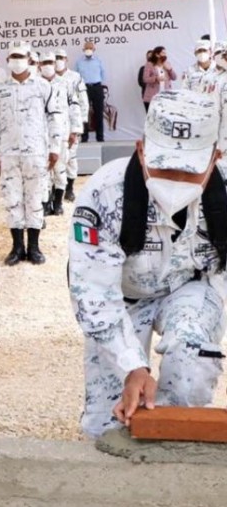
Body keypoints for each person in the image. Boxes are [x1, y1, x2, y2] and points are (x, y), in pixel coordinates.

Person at [69, 89, 227, 438]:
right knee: (108, 423)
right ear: (142, 149)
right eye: (163, 166)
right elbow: (93, 291)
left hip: (190, 287)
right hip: (122, 300)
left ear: (214, 157)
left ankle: (174, 448)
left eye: (188, 172)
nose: (174, 182)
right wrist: (132, 367)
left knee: (192, 356)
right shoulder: (105, 194)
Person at [0, 41, 61, 266]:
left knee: (35, 198)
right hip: (8, 153)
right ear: (8, 60)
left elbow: (54, 118)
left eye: (20, 56)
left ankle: (35, 247)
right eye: (12, 56)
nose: (16, 60)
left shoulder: (43, 87)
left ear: (29, 58)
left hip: (36, 153)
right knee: (12, 199)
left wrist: (55, 149)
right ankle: (17, 247)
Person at [39, 52, 82, 216]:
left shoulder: (66, 83)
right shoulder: (36, 84)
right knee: (43, 171)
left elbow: (74, 107)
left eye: (50, 62)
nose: (48, 65)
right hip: (41, 135)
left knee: (60, 168)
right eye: (44, 62)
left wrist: (75, 131)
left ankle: (58, 203)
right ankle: (45, 203)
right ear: (39, 65)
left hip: (63, 133)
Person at [56, 48, 89, 202]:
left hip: (72, 123)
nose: (58, 60)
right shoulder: (49, 78)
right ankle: (55, 190)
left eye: (61, 58)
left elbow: (83, 100)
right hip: (56, 124)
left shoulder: (75, 77)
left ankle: (69, 188)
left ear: (66, 59)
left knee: (71, 157)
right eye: (56, 58)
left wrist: (80, 123)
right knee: (56, 157)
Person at [75, 41, 107, 142]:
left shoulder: (98, 60)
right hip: (84, 88)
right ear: (83, 50)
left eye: (90, 48)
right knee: (84, 113)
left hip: (97, 87)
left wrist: (96, 82)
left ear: (94, 50)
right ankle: (84, 137)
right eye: (86, 48)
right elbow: (76, 76)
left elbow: (103, 74)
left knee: (99, 113)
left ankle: (100, 137)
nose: (88, 50)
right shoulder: (79, 62)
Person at [142, 46, 177, 110]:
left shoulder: (167, 63)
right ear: (157, 54)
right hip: (153, 97)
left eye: (165, 53)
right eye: (163, 53)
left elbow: (174, 77)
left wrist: (170, 69)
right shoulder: (149, 64)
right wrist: (156, 78)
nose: (165, 55)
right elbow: (145, 78)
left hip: (166, 96)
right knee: (152, 118)